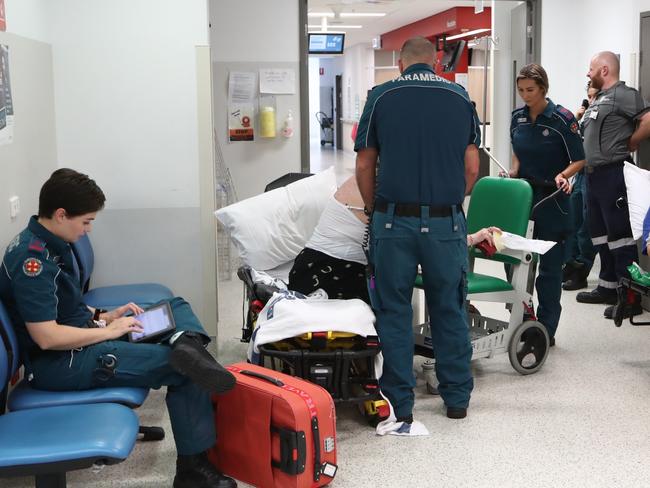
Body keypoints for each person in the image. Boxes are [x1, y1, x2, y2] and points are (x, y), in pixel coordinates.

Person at [0, 169, 237, 488]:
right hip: (61, 363)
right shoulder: (34, 263)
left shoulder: (49, 243)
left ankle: (184, 342)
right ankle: (192, 472)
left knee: (174, 307)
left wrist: (106, 316)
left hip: (83, 337)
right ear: (60, 214)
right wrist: (109, 332)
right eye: (85, 221)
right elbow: (47, 336)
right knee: (184, 370)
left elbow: (62, 305)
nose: (87, 230)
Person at [355, 36, 481, 424]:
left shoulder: (381, 96)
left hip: (393, 221)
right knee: (449, 307)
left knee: (393, 311)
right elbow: (472, 168)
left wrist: (373, 208)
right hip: (445, 223)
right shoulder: (460, 97)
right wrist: (448, 204)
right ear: (436, 62)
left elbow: (364, 164)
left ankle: (399, 404)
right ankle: (456, 399)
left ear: (401, 63)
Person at [288, 176, 500, 304]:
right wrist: (473, 238)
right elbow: (431, 242)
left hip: (311, 269)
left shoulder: (373, 175)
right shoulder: (383, 186)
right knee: (395, 294)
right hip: (327, 275)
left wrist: (473, 237)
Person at [510, 63, 586, 346]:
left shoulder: (563, 119)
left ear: (543, 88)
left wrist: (564, 175)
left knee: (550, 270)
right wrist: (514, 170)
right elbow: (517, 151)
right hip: (523, 197)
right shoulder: (517, 117)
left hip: (553, 199)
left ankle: (546, 328)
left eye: (530, 90)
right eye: (520, 90)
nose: (525, 95)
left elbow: (580, 158)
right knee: (515, 264)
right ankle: (523, 319)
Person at [577, 51, 650, 319]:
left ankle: (629, 296)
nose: (588, 73)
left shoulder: (624, 94)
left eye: (591, 68)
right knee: (599, 234)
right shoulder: (601, 98)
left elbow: (648, 119)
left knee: (620, 237)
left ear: (604, 70)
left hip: (613, 172)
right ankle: (608, 286)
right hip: (593, 175)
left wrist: (632, 141)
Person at [563, 83, 600, 290]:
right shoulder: (586, 115)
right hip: (581, 171)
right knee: (574, 218)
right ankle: (572, 263)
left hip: (596, 171)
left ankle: (582, 269)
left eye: (595, 97)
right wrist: (577, 118)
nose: (591, 101)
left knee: (587, 225)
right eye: (589, 97)